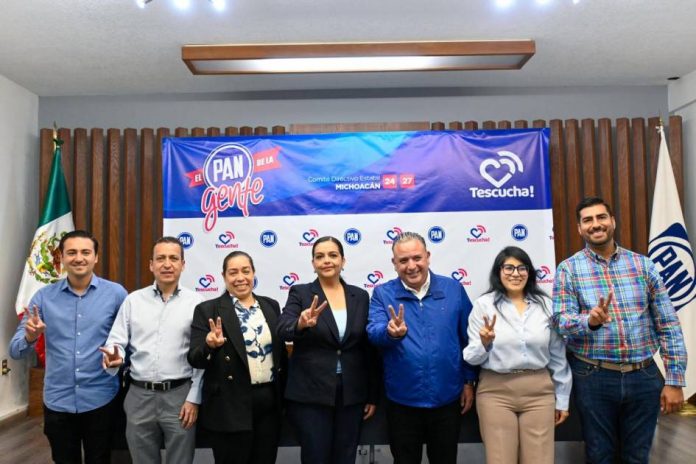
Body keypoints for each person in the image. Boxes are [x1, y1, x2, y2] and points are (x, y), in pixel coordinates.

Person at [553, 196, 687, 464]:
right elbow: (560, 320)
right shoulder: (569, 269)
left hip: (643, 376)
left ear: (612, 221)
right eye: (587, 220)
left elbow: (668, 324)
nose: (595, 224)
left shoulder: (643, 265)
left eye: (601, 217)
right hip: (593, 377)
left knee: (637, 456)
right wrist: (589, 321)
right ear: (579, 228)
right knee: (599, 455)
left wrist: (674, 380)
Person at [9, 230, 128, 464]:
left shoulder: (116, 294)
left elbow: (129, 343)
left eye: (85, 252)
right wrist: (30, 337)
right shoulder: (43, 298)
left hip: (102, 398)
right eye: (71, 252)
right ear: (61, 257)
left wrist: (120, 359)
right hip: (58, 401)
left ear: (96, 257)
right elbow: (15, 350)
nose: (79, 258)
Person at [366, 231, 476, 464]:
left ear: (427, 256)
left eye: (417, 258)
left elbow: (468, 338)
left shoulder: (453, 289)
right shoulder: (383, 293)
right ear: (394, 263)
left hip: (447, 397)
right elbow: (373, 332)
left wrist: (468, 381)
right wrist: (390, 332)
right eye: (403, 260)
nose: (411, 266)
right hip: (402, 400)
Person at [99, 236, 204, 464]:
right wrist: (115, 356)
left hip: (180, 396)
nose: (167, 264)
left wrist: (194, 398)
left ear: (183, 265)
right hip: (139, 396)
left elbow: (201, 356)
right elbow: (116, 341)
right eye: (160, 258)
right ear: (151, 264)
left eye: (173, 258)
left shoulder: (197, 303)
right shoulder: (133, 301)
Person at [463, 246, 571, 464]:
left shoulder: (546, 306)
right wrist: (484, 343)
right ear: (499, 271)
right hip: (495, 392)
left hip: (539, 392)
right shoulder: (484, 305)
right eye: (509, 268)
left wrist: (562, 399)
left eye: (522, 268)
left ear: (529, 272)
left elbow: (558, 356)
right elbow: (470, 358)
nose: (515, 273)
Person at [277, 236, 379, 464]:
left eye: (333, 255)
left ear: (343, 261)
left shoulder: (360, 296)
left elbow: (367, 348)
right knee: (316, 457)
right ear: (313, 263)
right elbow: (283, 328)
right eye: (319, 256)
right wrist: (300, 323)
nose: (326, 261)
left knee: (346, 457)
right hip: (311, 394)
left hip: (351, 394)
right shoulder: (301, 293)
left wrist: (372, 394)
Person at [188, 251, 287, 464]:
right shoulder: (208, 310)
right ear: (224, 276)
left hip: (268, 405)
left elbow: (280, 355)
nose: (240, 278)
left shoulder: (270, 305)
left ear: (253, 273)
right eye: (233, 272)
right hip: (229, 407)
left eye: (245, 271)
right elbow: (195, 358)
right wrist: (209, 346)